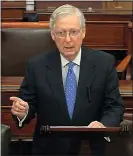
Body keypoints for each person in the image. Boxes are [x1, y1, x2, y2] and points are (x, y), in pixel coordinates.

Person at [10, 4, 124, 156]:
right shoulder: (36, 66)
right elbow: (27, 105)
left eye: (74, 32)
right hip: (49, 149)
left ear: (83, 32)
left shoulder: (104, 63)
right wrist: (22, 112)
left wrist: (103, 125)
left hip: (90, 149)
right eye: (61, 33)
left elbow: (115, 106)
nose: (68, 40)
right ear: (52, 35)